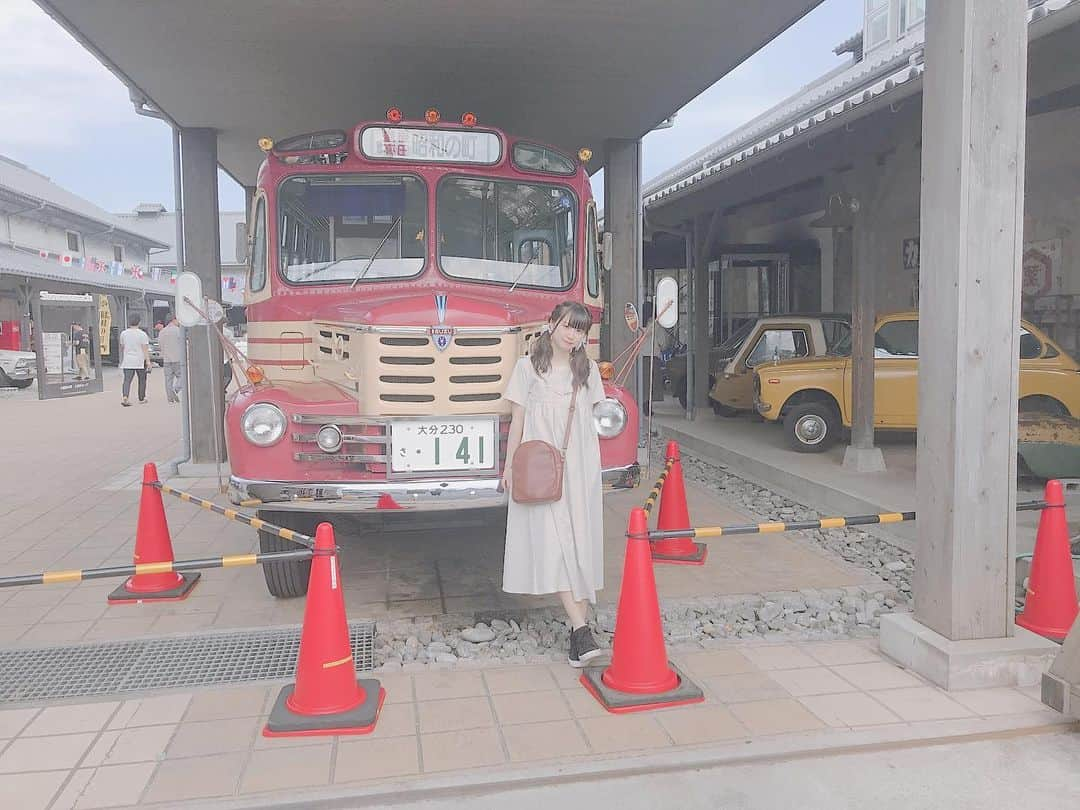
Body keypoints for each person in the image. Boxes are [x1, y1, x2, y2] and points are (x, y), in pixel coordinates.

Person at [502, 301, 607, 667]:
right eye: (566, 325)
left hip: (579, 466)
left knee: (576, 541)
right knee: (557, 542)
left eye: (579, 329)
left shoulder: (588, 371)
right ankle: (581, 630)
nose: (571, 333)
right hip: (540, 468)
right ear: (550, 324)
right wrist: (511, 465)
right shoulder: (527, 368)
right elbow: (517, 420)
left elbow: (598, 418)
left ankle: (581, 633)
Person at [119, 313, 151, 406]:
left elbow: (122, 346)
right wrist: (148, 361)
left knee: (127, 380)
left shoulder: (123, 333)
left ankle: (125, 396)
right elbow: (145, 349)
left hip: (128, 360)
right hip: (140, 360)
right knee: (142, 379)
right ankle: (141, 398)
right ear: (139, 322)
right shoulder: (142, 334)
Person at [157, 312, 183, 403]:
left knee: (168, 379)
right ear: (174, 320)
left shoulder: (162, 332)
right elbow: (183, 344)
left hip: (166, 359)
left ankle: (170, 398)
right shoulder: (179, 331)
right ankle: (175, 389)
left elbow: (160, 345)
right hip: (178, 358)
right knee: (182, 376)